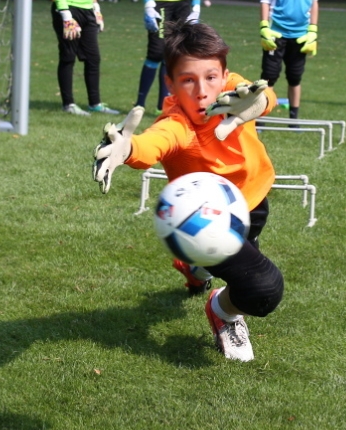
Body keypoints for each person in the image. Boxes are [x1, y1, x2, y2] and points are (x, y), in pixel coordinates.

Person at [93, 21, 284, 362]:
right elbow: (153, 143)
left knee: (240, 265)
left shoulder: (235, 90)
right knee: (262, 289)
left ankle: (195, 268)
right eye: (187, 80)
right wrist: (127, 149)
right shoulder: (177, 124)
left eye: (211, 77)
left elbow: (261, 94)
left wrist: (261, 101)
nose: (202, 91)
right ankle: (222, 311)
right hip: (208, 222)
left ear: (224, 75)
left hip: (254, 203)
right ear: (170, 83)